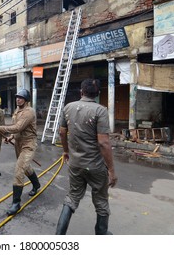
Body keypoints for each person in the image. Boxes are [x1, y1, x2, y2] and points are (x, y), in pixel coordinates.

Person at [55, 78, 118, 235]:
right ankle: (101, 234)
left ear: (81, 92)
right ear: (97, 94)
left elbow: (62, 132)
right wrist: (111, 170)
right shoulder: (100, 110)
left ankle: (59, 236)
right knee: (101, 201)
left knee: (72, 197)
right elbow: (103, 143)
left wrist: (66, 151)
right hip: (95, 166)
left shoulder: (68, 107)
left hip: (75, 164)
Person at [0, 89, 40, 216]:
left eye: (21, 98)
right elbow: (18, 129)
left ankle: (16, 203)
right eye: (17, 97)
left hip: (28, 144)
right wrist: (11, 137)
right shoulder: (17, 110)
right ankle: (36, 184)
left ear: (26, 100)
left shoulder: (29, 112)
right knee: (26, 167)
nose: (18, 99)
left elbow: (18, 127)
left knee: (19, 169)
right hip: (18, 143)